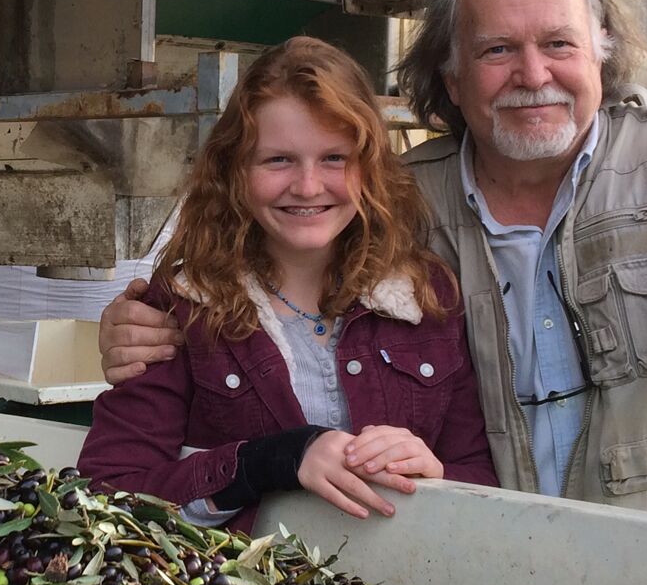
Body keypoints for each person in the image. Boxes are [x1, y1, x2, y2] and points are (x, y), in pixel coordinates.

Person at [98, 0, 647, 580]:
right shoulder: (394, 199)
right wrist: (143, 318)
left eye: (558, 43)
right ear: (451, 69)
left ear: (603, 47)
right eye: (498, 49)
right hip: (481, 583)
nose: (532, 74)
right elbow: (263, 289)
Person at [77, 36, 496, 531]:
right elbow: (107, 494)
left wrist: (436, 475)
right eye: (278, 160)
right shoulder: (183, 307)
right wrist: (266, 462)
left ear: (369, 168)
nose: (308, 186)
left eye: (335, 158)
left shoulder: (426, 297)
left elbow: (484, 483)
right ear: (236, 170)